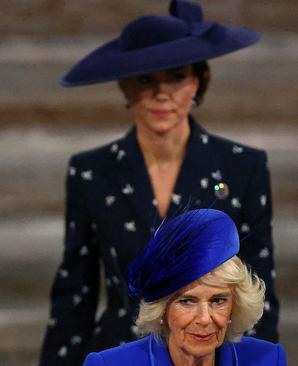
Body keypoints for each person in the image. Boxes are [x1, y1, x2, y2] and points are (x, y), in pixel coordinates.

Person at [40, 1, 278, 364]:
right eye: (146, 79)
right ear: (125, 86)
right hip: (119, 354)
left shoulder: (242, 167)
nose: (161, 93)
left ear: (199, 81)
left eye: (177, 76)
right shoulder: (92, 172)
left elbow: (259, 288)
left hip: (210, 351)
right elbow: (75, 293)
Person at [83, 209, 286, 365]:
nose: (205, 318)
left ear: (236, 305)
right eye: (187, 301)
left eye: (218, 300)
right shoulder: (109, 364)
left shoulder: (268, 359)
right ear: (162, 309)